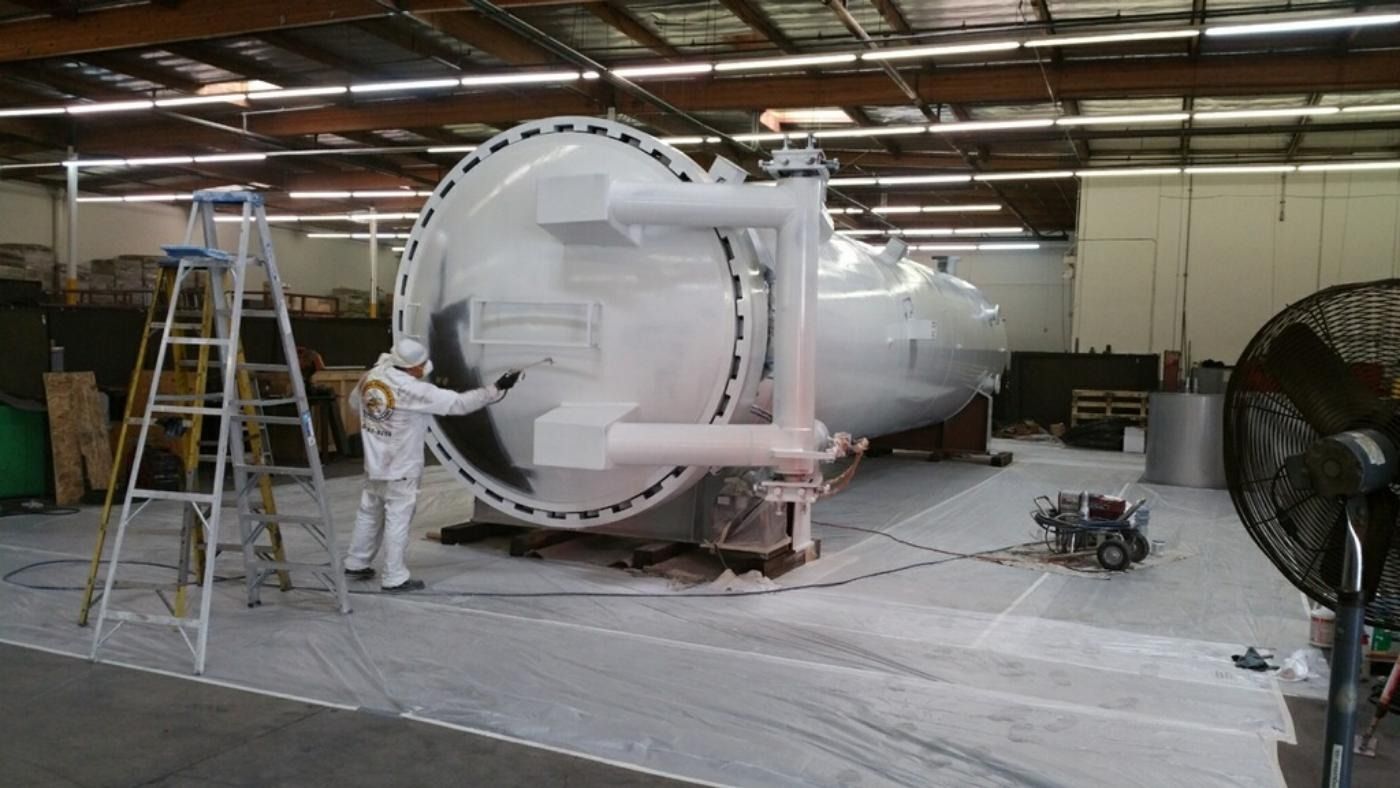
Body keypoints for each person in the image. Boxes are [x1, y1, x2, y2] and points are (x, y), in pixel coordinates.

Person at [344, 337, 521, 591]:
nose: (426, 366)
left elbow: (354, 404)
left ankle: (356, 562)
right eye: (422, 363)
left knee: (369, 512)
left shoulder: (373, 376)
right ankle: (394, 576)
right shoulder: (415, 391)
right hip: (401, 467)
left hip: (374, 464)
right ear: (413, 368)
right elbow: (459, 404)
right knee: (398, 518)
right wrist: (497, 388)